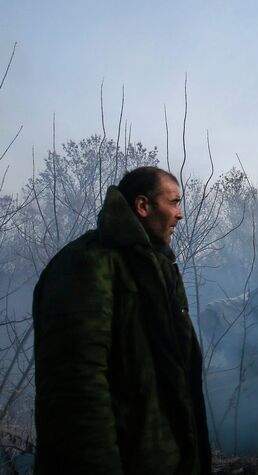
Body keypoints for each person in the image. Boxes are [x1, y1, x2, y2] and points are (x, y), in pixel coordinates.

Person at [33, 166, 211, 474]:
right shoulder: (86, 263)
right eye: (174, 202)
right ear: (143, 206)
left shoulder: (157, 267)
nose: (180, 214)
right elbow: (78, 388)